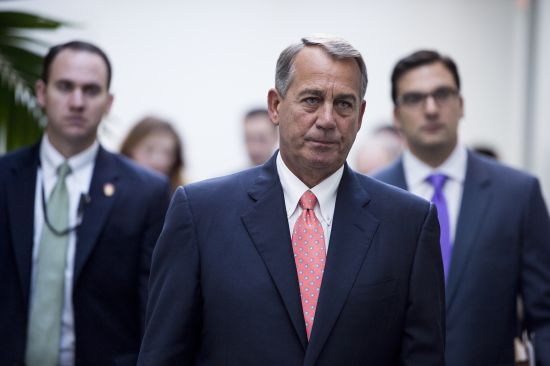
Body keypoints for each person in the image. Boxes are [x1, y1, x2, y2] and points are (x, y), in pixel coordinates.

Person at [138, 35, 445, 365]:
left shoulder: (408, 223)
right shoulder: (200, 213)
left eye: (344, 104)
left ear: (360, 115)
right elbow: (164, 353)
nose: (327, 120)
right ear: (275, 105)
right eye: (311, 100)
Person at [0, 41, 171, 366]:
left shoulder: (146, 192)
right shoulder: (5, 179)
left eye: (91, 91)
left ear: (108, 102)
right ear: (41, 92)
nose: (77, 102)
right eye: (65, 87)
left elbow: (153, 309)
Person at [375, 49, 550, 366]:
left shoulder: (517, 194)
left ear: (462, 104)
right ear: (397, 116)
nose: (431, 109)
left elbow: (546, 314)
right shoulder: (370, 198)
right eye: (414, 98)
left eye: (442, 94)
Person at [120, 116, 185, 192]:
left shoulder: (181, 198)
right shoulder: (113, 190)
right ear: (130, 149)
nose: (158, 161)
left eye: (167, 153)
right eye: (149, 150)